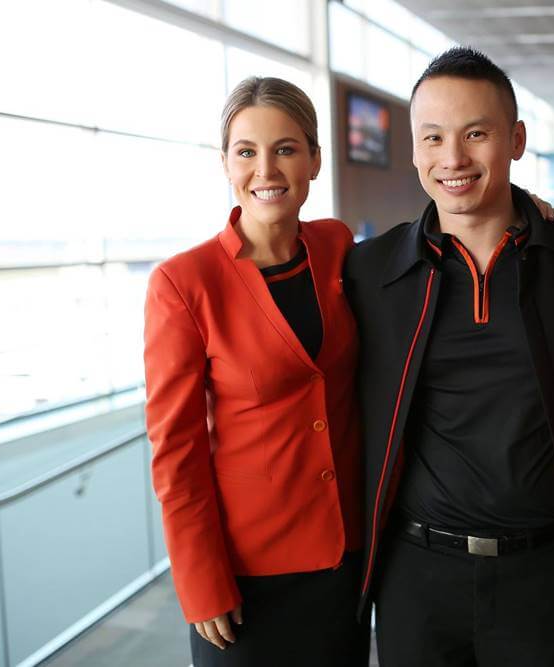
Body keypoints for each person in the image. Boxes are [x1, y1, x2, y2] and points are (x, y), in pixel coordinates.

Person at [344, 47, 554, 667]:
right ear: (414, 150)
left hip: (548, 573)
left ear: (516, 140)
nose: (453, 158)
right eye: (434, 138)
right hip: (417, 576)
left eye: (477, 134)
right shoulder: (370, 270)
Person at [142, 77, 368, 666]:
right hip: (245, 579)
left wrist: (522, 213)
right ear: (225, 163)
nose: (266, 168)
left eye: (286, 149)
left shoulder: (337, 246)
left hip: (344, 561)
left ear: (315, 160)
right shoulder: (183, 284)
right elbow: (176, 452)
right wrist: (200, 583)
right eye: (246, 151)